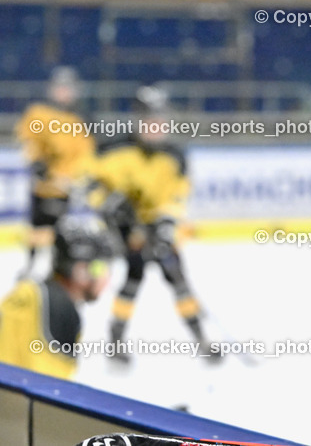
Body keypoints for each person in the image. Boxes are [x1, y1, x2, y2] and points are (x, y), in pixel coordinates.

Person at [89, 85, 219, 363]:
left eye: (161, 122)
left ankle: (200, 338)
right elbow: (89, 184)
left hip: (155, 223)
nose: (156, 128)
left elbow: (176, 195)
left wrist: (166, 223)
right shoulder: (114, 149)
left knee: (176, 276)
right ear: (137, 121)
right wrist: (108, 203)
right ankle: (115, 339)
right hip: (125, 226)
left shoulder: (174, 157)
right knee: (134, 273)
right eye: (150, 122)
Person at [0, 212, 118, 379]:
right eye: (100, 267)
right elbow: (46, 392)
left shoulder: (38, 294)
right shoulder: (58, 307)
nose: (107, 276)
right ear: (80, 270)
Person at [15, 66, 96, 280]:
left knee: (57, 232)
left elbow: (85, 156)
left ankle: (54, 270)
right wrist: (35, 162)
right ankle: (33, 266)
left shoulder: (80, 119)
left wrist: (76, 178)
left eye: (67, 88)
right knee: (36, 230)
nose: (63, 93)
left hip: (62, 188)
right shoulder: (38, 113)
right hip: (41, 186)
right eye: (60, 88)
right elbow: (28, 140)